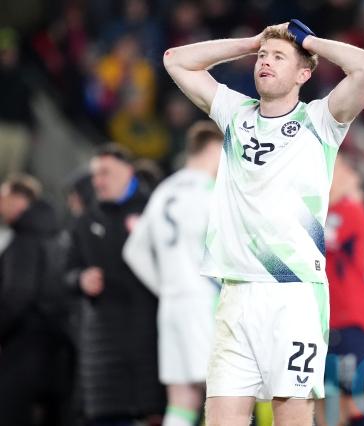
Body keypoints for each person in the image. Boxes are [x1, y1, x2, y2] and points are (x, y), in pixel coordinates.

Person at [163, 19, 364, 426]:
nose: (265, 61)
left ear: (303, 74)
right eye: (263, 56)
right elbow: (176, 60)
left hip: (293, 295)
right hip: (235, 292)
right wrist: (251, 42)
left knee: (291, 417)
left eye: (279, 57)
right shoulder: (234, 113)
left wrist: (308, 40)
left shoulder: (321, 121)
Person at [123, 121, 224, 426]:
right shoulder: (211, 192)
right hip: (204, 302)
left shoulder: (165, 190)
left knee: (181, 401)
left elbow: (133, 251)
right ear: (214, 149)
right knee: (224, 395)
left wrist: (165, 287)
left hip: (170, 305)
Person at [66, 144, 165, 425]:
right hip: (103, 343)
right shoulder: (86, 221)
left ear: (128, 172)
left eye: (105, 173)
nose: (98, 181)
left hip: (150, 337)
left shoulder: (155, 211)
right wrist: (80, 279)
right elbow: (67, 272)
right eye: (95, 175)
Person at [0, 174, 74, 426]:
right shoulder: (59, 237)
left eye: (3, 198)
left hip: (22, 348)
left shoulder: (25, 239)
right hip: (58, 351)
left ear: (20, 200)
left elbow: (17, 293)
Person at [316, 156, 364, 426]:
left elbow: (318, 239)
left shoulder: (349, 210)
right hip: (328, 318)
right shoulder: (329, 210)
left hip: (350, 319)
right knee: (327, 399)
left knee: (354, 399)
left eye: (337, 167)